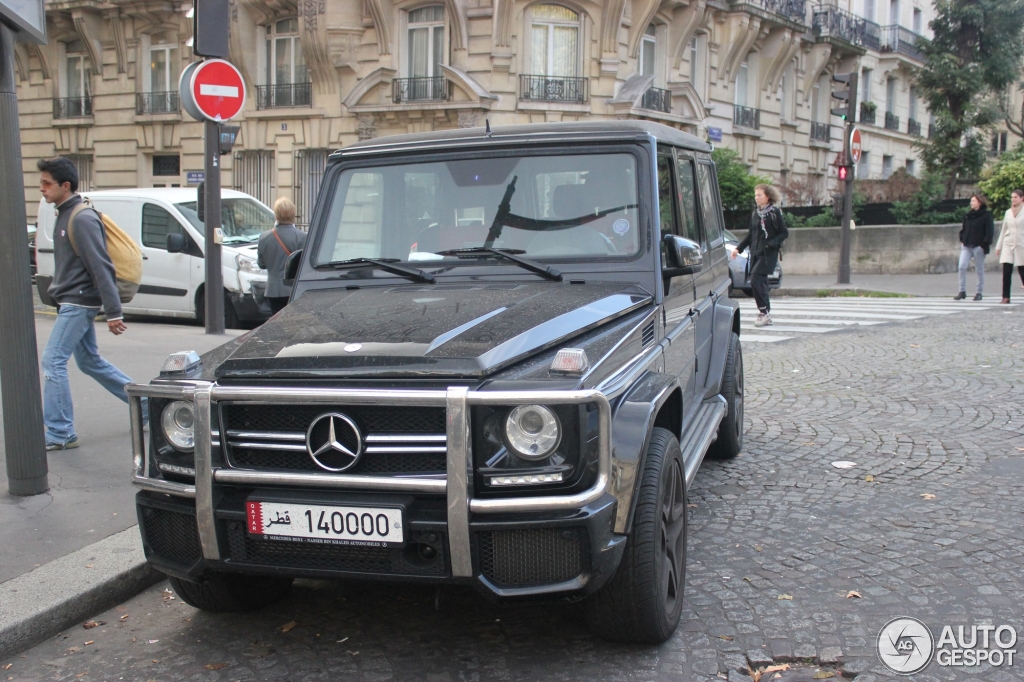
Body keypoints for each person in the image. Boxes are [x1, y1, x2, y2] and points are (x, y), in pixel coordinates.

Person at [37, 157, 138, 451]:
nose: (41, 189)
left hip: (79, 303)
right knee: (89, 362)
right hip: (73, 300)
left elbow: (101, 266)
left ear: (65, 186)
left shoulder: (80, 218)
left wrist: (114, 311)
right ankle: (145, 406)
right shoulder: (64, 214)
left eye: (47, 183)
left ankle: (60, 433)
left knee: (52, 361)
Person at [731, 183, 789, 327]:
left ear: (767, 197)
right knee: (761, 283)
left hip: (768, 254)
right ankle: (766, 313)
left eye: (759, 195)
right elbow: (751, 234)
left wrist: (771, 244)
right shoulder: (755, 213)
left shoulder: (774, 213)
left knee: (756, 279)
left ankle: (763, 313)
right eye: (755, 195)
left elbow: (784, 233)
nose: (756, 197)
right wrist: (738, 249)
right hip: (756, 253)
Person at [257, 197, 307, 314]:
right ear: (293, 214)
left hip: (273, 291)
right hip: (294, 290)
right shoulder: (301, 237)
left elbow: (261, 264)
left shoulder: (264, 238)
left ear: (276, 214)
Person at [954, 194, 994, 301]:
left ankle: (979, 292)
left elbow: (989, 231)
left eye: (973, 201)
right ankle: (962, 291)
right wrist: (962, 239)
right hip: (967, 245)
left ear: (979, 202)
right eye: (971, 201)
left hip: (978, 246)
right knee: (962, 266)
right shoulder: (968, 215)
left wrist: (983, 244)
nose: (971, 203)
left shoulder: (986, 215)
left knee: (979, 269)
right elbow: (964, 228)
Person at [995, 188, 1024, 304]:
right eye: (1012, 197)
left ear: (1022, 198)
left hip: (1021, 243)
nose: (1013, 199)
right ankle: (1005, 296)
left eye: (1015, 197)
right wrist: (999, 246)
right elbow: (1003, 229)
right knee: (1006, 271)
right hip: (1008, 243)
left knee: (1022, 270)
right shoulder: (1008, 212)